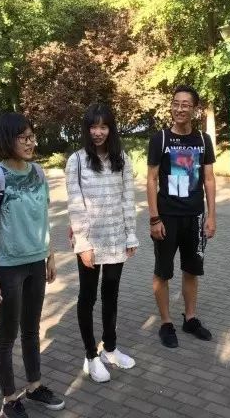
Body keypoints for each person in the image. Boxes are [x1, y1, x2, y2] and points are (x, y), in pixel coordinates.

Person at [0, 113, 64, 418]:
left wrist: (50, 255)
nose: (31, 143)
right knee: (6, 334)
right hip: (6, 268)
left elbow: (43, 217)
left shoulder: (38, 173)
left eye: (32, 136)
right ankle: (9, 398)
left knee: (31, 329)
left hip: (35, 263)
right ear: (6, 140)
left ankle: (35, 386)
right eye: (24, 137)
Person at [65, 103, 139, 383]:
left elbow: (127, 199)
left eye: (103, 126)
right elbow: (75, 205)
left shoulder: (122, 159)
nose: (98, 132)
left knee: (111, 295)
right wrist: (83, 243)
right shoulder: (76, 161)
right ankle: (90, 356)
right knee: (88, 297)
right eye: (93, 127)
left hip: (117, 238)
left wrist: (130, 234)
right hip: (90, 242)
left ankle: (110, 348)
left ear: (111, 129)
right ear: (86, 129)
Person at [147, 84, 217, 348]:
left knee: (191, 270)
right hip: (167, 217)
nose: (179, 109)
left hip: (195, 217)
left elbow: (209, 179)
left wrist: (211, 216)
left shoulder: (203, 140)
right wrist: (154, 218)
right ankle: (166, 323)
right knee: (163, 272)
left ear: (194, 109)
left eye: (185, 104)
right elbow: (151, 179)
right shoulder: (160, 139)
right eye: (176, 103)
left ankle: (190, 318)